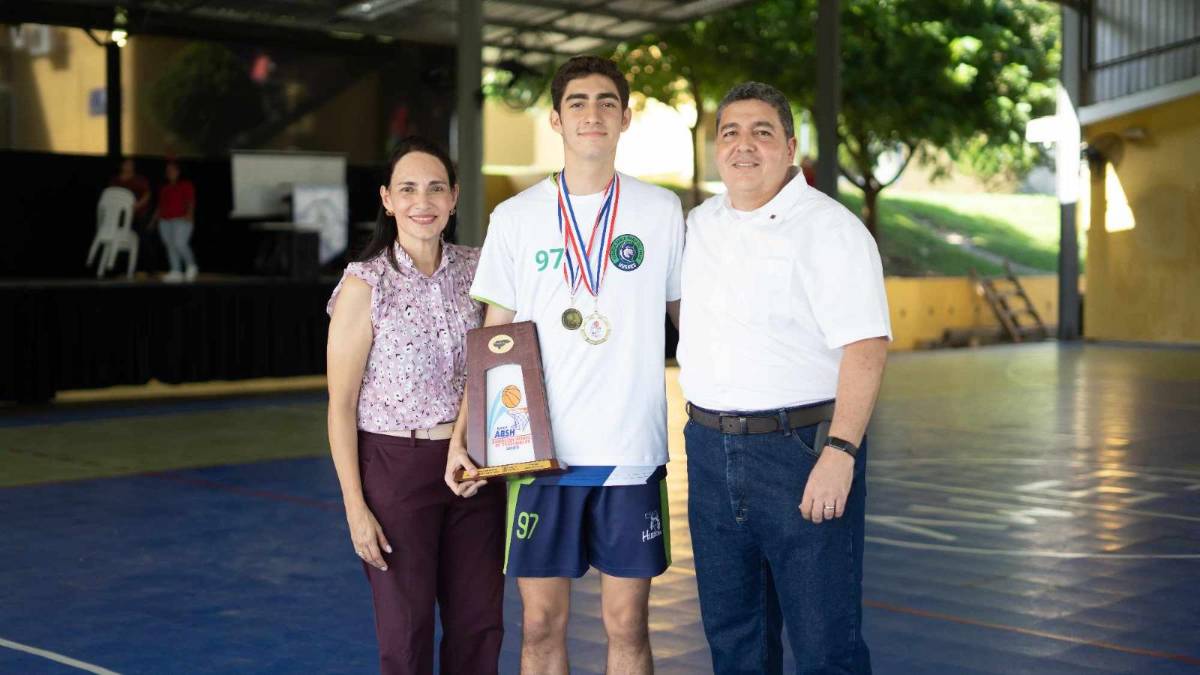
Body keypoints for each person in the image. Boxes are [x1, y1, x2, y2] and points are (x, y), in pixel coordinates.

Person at [444, 55, 685, 675]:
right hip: (538, 453)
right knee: (541, 628)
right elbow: (494, 334)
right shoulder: (516, 217)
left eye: (607, 102)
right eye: (577, 102)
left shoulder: (660, 212)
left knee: (627, 626)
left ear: (626, 118)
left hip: (629, 451)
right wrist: (464, 434)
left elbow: (690, 322)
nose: (593, 114)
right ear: (555, 119)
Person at [676, 81, 891, 674]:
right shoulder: (700, 224)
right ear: (716, 148)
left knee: (826, 647)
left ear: (791, 147)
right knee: (735, 643)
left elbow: (867, 346)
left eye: (762, 132)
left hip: (802, 452)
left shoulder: (830, 229)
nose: (744, 145)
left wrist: (841, 452)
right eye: (731, 132)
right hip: (709, 450)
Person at [326, 137, 505, 675]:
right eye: (407, 189)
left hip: (473, 464)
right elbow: (341, 405)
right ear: (386, 199)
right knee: (406, 636)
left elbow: (498, 365)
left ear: (453, 197)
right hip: (395, 468)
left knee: (479, 625)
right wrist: (356, 509)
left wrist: (476, 445)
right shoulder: (366, 284)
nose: (421, 201)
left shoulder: (481, 272)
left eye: (434, 188)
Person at [155, 160, 198, 282]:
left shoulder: (186, 184)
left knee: (180, 243)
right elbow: (160, 205)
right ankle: (176, 271)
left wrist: (190, 214)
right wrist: (155, 220)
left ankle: (191, 265)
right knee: (170, 245)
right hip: (165, 220)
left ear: (178, 171)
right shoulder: (165, 188)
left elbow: (190, 200)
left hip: (181, 219)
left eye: (173, 169)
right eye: (168, 170)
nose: (170, 172)